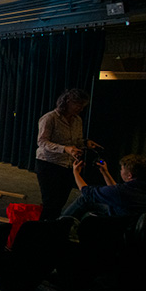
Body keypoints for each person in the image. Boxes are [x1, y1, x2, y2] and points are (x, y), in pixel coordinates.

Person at [35, 89, 102, 221]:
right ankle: (43, 229)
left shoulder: (77, 120)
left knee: (60, 202)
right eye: (78, 105)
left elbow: (76, 141)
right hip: (49, 163)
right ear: (68, 102)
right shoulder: (50, 118)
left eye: (83, 106)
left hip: (68, 165)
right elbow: (42, 142)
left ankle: (53, 227)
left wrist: (86, 143)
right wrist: (65, 149)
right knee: (50, 203)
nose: (81, 109)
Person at [64, 154, 146, 220]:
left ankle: (59, 226)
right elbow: (116, 191)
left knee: (84, 199)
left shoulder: (124, 192)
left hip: (122, 225)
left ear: (129, 175)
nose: (120, 171)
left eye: (122, 169)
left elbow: (86, 191)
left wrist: (76, 172)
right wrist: (105, 172)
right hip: (139, 228)